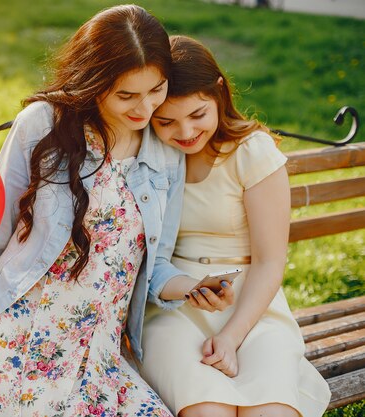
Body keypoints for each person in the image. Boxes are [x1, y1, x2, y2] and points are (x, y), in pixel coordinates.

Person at [0, 7, 233, 417]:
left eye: (156, 89)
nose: (145, 109)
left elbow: (152, 267)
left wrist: (192, 286)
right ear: (94, 81)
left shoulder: (165, 154)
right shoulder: (44, 126)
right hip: (14, 347)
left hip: (98, 360)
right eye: (126, 95)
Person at [141, 35, 331, 417]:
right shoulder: (153, 158)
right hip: (175, 302)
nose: (185, 132)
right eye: (167, 121)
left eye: (198, 114)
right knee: (206, 410)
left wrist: (230, 336)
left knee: (269, 411)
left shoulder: (252, 152)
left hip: (252, 303)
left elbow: (269, 262)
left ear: (220, 93)